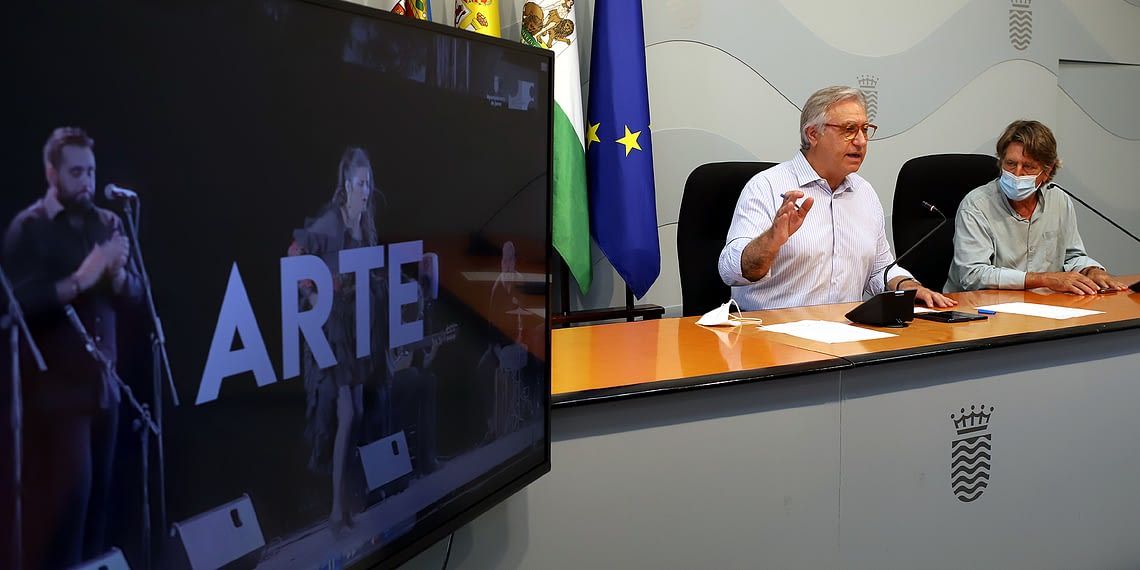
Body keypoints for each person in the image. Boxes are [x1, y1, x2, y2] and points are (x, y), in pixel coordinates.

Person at [2, 127, 142, 569]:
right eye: (76, 172)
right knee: (71, 514)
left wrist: (118, 276)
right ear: (52, 174)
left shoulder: (108, 223)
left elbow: (136, 296)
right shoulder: (29, 228)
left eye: (91, 172)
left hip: (105, 387)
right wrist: (85, 276)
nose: (87, 182)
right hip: (58, 397)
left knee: (102, 510)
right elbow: (21, 305)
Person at [718, 86, 956, 311]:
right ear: (813, 134)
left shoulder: (864, 192)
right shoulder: (766, 186)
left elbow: (879, 269)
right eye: (849, 129)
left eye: (865, 129)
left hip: (845, 331)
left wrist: (909, 286)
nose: (861, 141)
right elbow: (730, 271)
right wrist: (771, 240)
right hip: (772, 331)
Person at [289, 146, 389, 535]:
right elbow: (296, 253)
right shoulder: (331, 223)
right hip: (336, 329)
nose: (366, 190)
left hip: (357, 327)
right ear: (346, 185)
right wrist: (314, 296)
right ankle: (335, 508)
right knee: (347, 414)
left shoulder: (365, 224)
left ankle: (344, 504)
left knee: (357, 413)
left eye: (369, 183)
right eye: (360, 183)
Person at [945, 120, 1128, 294]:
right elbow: (973, 276)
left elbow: (1072, 257)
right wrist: (1044, 279)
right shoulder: (976, 205)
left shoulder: (1059, 200)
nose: (1017, 173)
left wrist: (1091, 270)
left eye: (1028, 166)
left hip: (1039, 305)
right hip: (979, 308)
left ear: (1047, 171)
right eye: (1010, 164)